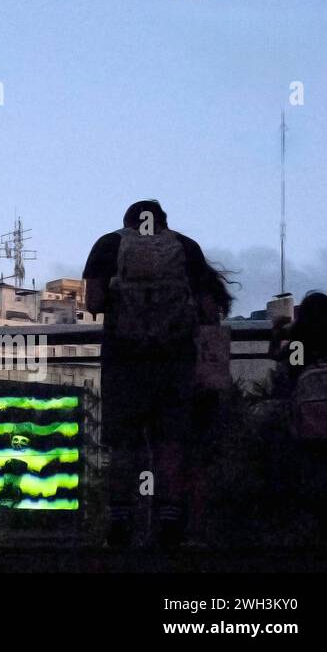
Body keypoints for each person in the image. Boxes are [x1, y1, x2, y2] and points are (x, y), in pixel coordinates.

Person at [83, 199, 214, 548]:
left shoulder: (109, 245)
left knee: (124, 445)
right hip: (175, 361)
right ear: (164, 223)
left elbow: (94, 303)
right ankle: (169, 523)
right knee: (170, 444)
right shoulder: (185, 247)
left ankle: (120, 522)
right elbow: (208, 309)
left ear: (127, 221)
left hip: (124, 359)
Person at [269, 291, 327, 541]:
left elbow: (286, 369)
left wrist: (278, 335)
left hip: (308, 419)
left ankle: (315, 521)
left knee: (311, 467)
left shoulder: (300, 343)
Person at [184, 261, 237, 545]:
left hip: (187, 389)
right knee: (201, 461)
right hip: (207, 390)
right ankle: (199, 528)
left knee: (181, 458)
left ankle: (186, 527)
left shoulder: (181, 304)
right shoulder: (210, 308)